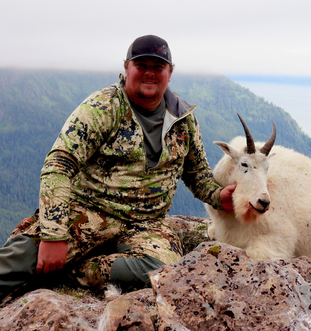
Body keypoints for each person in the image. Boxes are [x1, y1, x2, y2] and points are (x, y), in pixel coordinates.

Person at [0, 35, 235, 300]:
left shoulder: (182, 119)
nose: (149, 72)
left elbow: (196, 173)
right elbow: (59, 164)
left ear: (170, 73)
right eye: (141, 65)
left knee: (161, 270)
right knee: (16, 264)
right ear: (126, 68)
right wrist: (54, 235)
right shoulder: (103, 107)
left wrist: (218, 196)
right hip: (87, 214)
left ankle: (75, 271)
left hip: (146, 224)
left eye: (158, 66)